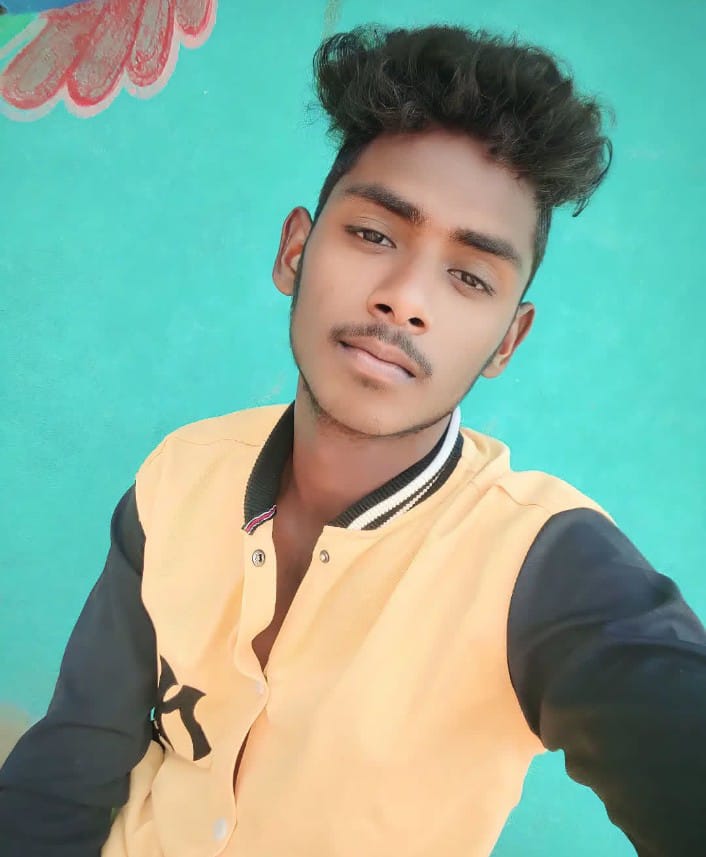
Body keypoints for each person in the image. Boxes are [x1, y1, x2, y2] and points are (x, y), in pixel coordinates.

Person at [1, 23, 705, 857]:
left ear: (506, 343)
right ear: (294, 251)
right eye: (374, 234)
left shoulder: (546, 566)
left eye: (469, 275)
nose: (405, 297)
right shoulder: (181, 474)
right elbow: (71, 763)